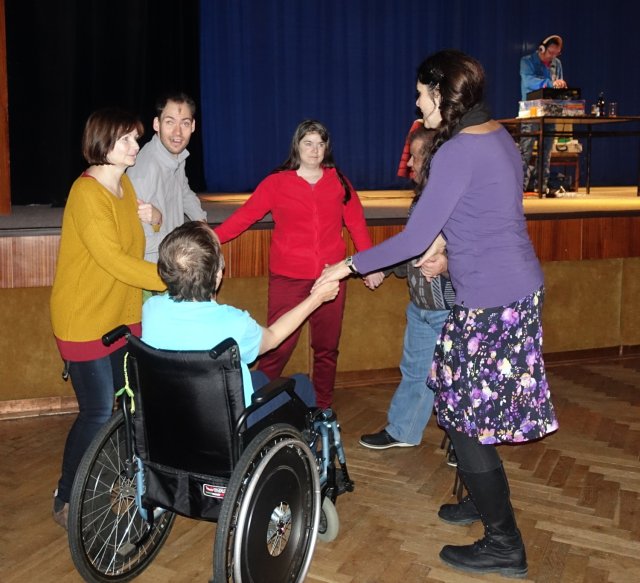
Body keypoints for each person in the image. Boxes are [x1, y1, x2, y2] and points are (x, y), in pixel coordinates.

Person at [315, 49, 559, 578]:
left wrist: (347, 265)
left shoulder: (455, 152)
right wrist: (450, 245)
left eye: (421, 94)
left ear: (442, 95)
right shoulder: (497, 136)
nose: (417, 103)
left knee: (465, 422)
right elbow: (485, 212)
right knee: (459, 402)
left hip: (492, 302)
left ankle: (505, 543)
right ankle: (481, 500)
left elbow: (413, 238)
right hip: (512, 291)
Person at [214, 120, 384, 409]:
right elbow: (245, 216)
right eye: (308, 143)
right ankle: (256, 406)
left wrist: (369, 265)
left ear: (326, 148)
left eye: (320, 144)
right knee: (277, 347)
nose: (315, 150)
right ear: (297, 146)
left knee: (326, 349)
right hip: (288, 279)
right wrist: (212, 238)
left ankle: (322, 408)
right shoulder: (277, 182)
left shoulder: (339, 182)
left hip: (331, 278)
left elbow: (356, 224)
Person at [50, 108, 166, 530]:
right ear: (102, 143)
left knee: (128, 405)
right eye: (127, 140)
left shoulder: (123, 184)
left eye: (136, 138)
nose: (136, 146)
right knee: (98, 410)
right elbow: (114, 260)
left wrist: (156, 218)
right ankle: (66, 496)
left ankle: (119, 484)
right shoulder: (87, 193)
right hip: (84, 320)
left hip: (121, 316)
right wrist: (172, 278)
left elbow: (134, 240)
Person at [142, 221, 340, 422]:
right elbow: (273, 336)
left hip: (170, 416)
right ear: (218, 275)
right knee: (302, 385)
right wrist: (317, 298)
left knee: (260, 379)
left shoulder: (151, 309)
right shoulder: (234, 324)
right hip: (229, 424)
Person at [359, 126, 455, 452]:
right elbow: (411, 250)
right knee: (414, 372)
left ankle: (466, 447)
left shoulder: (455, 199)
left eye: (415, 157)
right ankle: (404, 430)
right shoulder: (421, 201)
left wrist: (447, 263)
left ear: (433, 159)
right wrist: (382, 269)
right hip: (421, 308)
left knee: (457, 377)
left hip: (451, 309)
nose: (410, 165)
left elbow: (478, 249)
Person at [127, 92, 207, 263]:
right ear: (157, 124)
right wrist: (185, 242)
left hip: (173, 257)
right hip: (154, 267)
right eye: (170, 122)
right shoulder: (143, 172)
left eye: (185, 123)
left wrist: (202, 224)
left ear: (193, 126)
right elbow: (139, 241)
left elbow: (184, 192)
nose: (178, 132)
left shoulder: (176, 155)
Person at [519, 34, 567, 194]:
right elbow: (529, 82)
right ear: (541, 49)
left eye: (556, 54)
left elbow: (556, 84)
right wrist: (550, 83)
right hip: (530, 111)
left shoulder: (557, 64)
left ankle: (541, 186)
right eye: (550, 53)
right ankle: (519, 187)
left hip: (549, 110)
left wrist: (560, 85)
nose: (553, 57)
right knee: (526, 151)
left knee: (546, 151)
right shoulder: (527, 61)